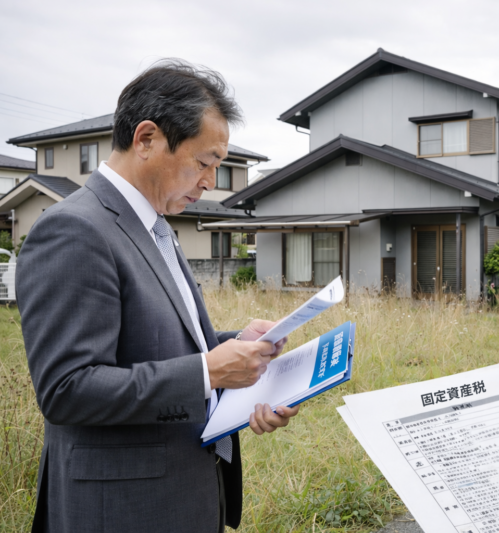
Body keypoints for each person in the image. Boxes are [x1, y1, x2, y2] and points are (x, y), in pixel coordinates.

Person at [16, 60, 300, 533]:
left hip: (184, 494)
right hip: (121, 509)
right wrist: (209, 371)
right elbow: (67, 389)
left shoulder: (154, 227)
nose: (210, 181)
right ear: (146, 139)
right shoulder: (75, 229)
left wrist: (237, 346)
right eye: (204, 162)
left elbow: (160, 345)